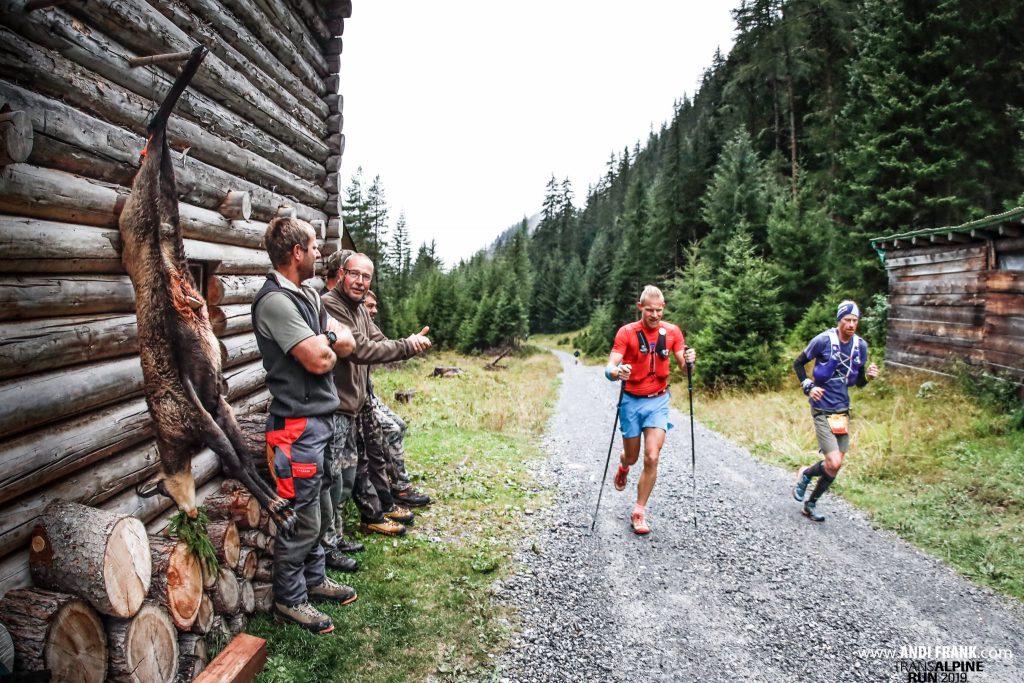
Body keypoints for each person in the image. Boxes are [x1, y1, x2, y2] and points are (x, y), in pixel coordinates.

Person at [251, 217, 358, 634]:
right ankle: (289, 599)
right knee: (303, 517)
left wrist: (326, 341)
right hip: (295, 429)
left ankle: (314, 580)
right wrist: (327, 343)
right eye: (314, 247)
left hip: (320, 419)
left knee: (324, 504)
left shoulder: (309, 295)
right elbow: (318, 359)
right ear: (297, 252)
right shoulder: (276, 301)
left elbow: (343, 342)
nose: (319, 253)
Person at [322, 253, 432, 539]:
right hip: (336, 407)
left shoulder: (358, 307)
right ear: (342, 274)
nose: (360, 282)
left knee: (351, 473)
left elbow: (379, 342)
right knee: (334, 479)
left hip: (356, 404)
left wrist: (409, 343)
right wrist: (406, 346)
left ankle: (343, 533)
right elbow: (361, 350)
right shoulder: (331, 306)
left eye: (366, 276)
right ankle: (331, 542)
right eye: (355, 274)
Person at [605, 285, 697, 535]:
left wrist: (689, 361)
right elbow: (609, 367)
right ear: (640, 308)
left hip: (658, 400)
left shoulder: (673, 332)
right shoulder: (627, 332)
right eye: (649, 310)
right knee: (633, 457)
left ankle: (639, 511)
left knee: (652, 456)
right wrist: (617, 372)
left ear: (663, 308)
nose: (654, 315)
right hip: (631, 401)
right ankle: (624, 465)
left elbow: (682, 365)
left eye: (658, 310)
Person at [792, 300, 879, 522]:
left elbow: (857, 382)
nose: (851, 324)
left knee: (834, 467)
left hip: (842, 411)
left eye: (855, 320)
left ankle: (810, 505)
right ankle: (805, 475)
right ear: (839, 321)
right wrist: (808, 386)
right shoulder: (823, 341)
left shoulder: (860, 346)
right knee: (833, 462)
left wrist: (868, 376)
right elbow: (798, 363)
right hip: (822, 409)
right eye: (847, 320)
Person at [363, 290, 431, 508]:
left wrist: (410, 346)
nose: (374, 310)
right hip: (355, 397)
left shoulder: (367, 323)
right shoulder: (346, 315)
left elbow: (385, 346)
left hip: (367, 391)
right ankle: (400, 488)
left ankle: (396, 482)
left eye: (375, 306)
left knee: (399, 425)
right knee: (391, 430)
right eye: (370, 305)